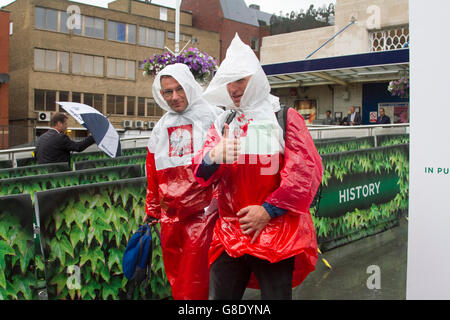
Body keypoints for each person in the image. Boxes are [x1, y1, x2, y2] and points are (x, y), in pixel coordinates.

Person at [193, 35, 323, 300]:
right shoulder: (223, 121)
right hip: (229, 233)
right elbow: (200, 173)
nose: (233, 88)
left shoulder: (283, 117)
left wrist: (267, 211)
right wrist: (213, 156)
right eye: (228, 81)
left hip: (276, 233)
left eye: (240, 79)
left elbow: (304, 175)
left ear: (256, 78)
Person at [143, 63, 223, 300]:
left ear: (189, 86)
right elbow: (153, 171)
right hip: (171, 217)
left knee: (198, 280)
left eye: (179, 89)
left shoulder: (214, 117)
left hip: (204, 214)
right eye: (168, 91)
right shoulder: (161, 126)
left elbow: (230, 166)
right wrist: (153, 209)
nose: (174, 97)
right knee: (177, 276)